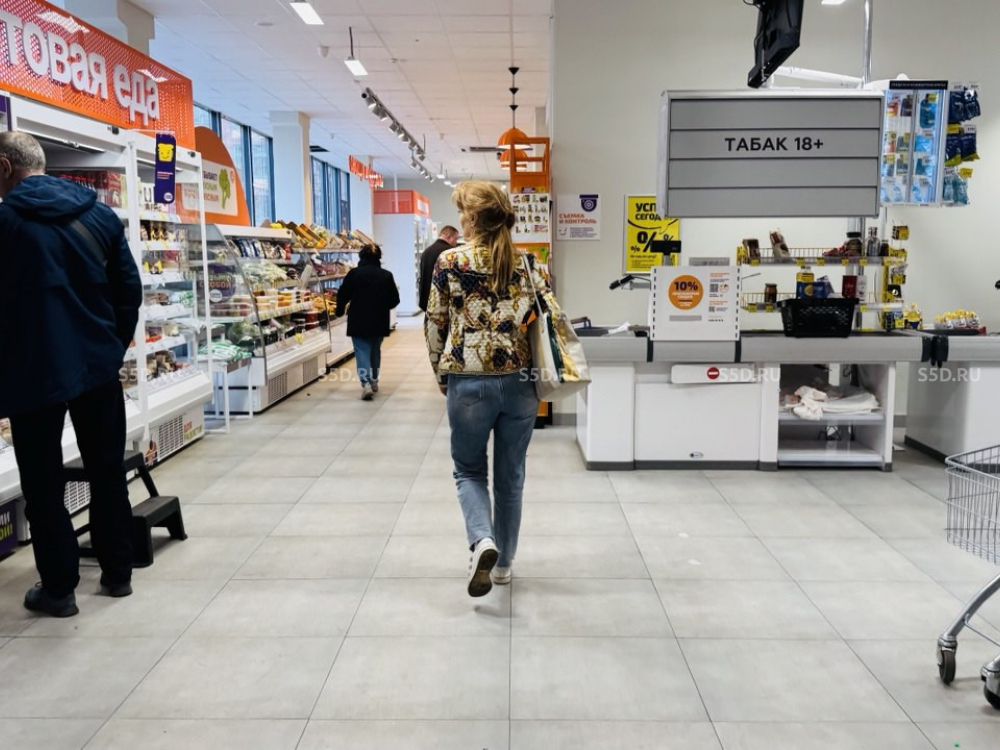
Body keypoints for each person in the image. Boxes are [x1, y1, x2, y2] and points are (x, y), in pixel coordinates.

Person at [0, 132, 142, 618]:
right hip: (97, 367)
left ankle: (59, 590)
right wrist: (110, 348)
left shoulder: (5, 224)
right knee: (107, 470)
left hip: (31, 373)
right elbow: (128, 292)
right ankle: (118, 572)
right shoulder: (100, 216)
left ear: (5, 167)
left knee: (43, 484)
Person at [425, 181, 560, 598]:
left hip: (468, 380)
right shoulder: (529, 264)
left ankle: (482, 539)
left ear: (471, 218)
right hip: (520, 383)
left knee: (468, 470)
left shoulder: (449, 261)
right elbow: (547, 319)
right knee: (511, 476)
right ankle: (503, 566)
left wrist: (441, 373)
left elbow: (435, 323)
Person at [336, 244, 400, 400]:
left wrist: (340, 310)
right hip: (379, 319)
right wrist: (382, 306)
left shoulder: (354, 274)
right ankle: (374, 380)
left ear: (361, 257)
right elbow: (394, 299)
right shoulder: (386, 275)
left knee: (362, 351)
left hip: (358, 318)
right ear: (379, 258)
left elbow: (343, 294)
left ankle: (366, 383)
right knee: (375, 350)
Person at [418, 225, 460, 311]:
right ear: (448, 237)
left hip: (426, 299)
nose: (456, 243)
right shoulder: (449, 253)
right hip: (441, 301)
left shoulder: (426, 251)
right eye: (455, 239)